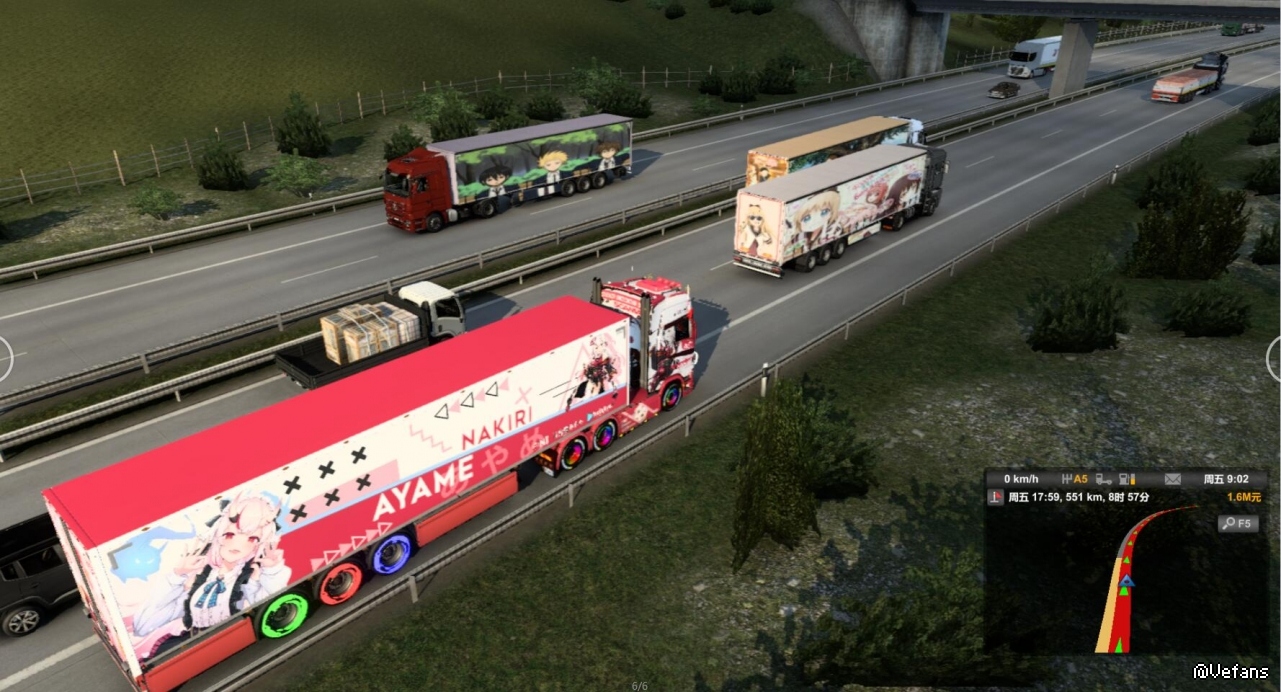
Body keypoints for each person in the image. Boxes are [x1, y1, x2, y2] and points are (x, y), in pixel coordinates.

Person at [130, 493, 291, 662]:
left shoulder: (249, 578)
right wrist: (177, 576)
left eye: (252, 538)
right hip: (195, 641)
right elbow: (143, 626)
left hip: (230, 632)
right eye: (229, 535)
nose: (238, 544)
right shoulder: (197, 581)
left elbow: (271, 603)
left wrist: (271, 571)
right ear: (218, 535)